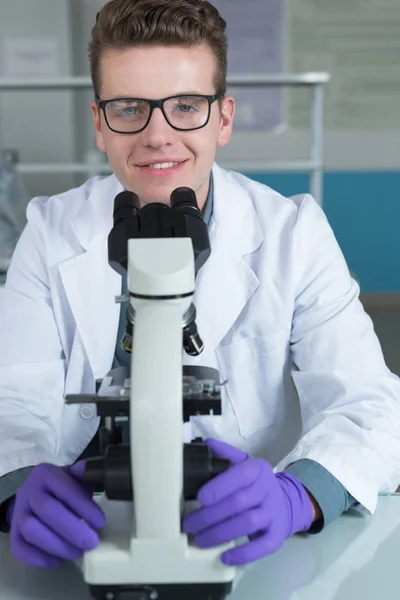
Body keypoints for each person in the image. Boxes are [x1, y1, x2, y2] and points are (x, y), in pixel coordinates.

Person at [1, 0, 400, 570]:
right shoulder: (49, 231)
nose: (158, 135)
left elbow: (371, 403)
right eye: (129, 107)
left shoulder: (293, 233)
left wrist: (301, 495)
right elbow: (11, 396)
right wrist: (17, 486)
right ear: (99, 123)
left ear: (224, 118)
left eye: (186, 106)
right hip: (80, 534)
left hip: (249, 548)